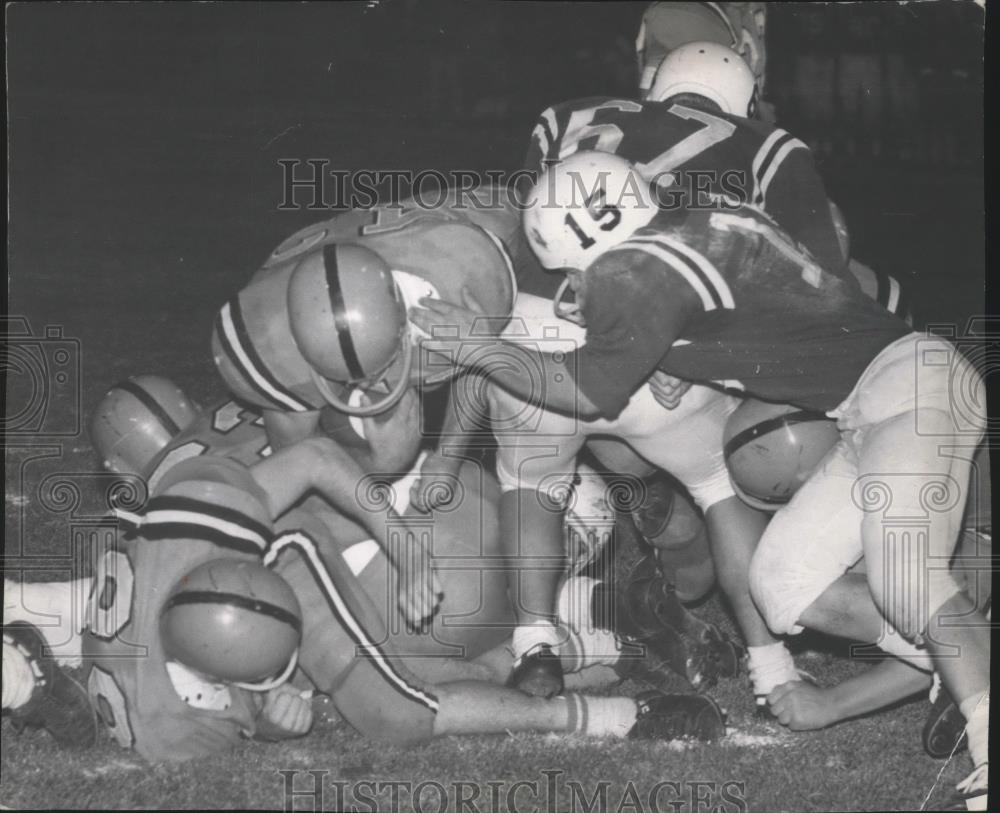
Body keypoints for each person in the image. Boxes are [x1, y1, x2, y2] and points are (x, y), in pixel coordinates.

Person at [410, 152, 988, 809]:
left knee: (905, 578)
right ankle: (961, 647)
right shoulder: (692, 217)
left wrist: (476, 346)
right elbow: (745, 300)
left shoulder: (640, 270)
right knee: (783, 589)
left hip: (908, 384)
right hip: (862, 410)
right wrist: (679, 347)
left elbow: (583, 387)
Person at [19, 376, 726, 763]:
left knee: (420, 686)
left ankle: (609, 659)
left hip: (363, 545)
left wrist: (401, 541)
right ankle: (606, 626)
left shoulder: (192, 550)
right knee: (434, 670)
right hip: (410, 521)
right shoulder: (206, 495)